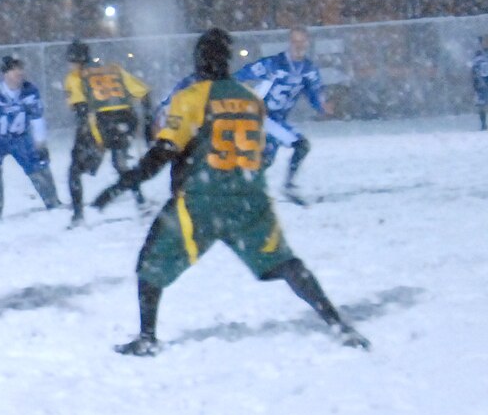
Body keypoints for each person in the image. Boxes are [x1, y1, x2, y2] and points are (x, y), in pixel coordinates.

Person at [95, 28, 367, 355]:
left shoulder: (192, 97)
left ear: (199, 61)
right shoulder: (250, 99)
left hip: (202, 200)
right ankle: (337, 323)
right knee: (285, 263)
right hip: (250, 199)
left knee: (150, 264)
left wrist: (120, 185)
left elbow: (163, 153)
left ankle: (147, 338)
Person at [63, 38, 154, 226]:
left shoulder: (75, 77)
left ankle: (78, 216)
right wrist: (146, 122)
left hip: (102, 122)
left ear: (74, 61)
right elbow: (144, 92)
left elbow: (81, 108)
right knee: (121, 164)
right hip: (126, 120)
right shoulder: (114, 69)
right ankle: (141, 202)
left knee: (74, 170)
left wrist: (85, 140)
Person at [234, 26, 327, 204]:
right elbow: (241, 75)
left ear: (308, 43)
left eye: (302, 41)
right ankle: (287, 186)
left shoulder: (309, 70)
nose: (298, 45)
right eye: (295, 41)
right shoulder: (273, 64)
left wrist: (322, 106)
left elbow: (314, 94)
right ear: (289, 43)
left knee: (265, 159)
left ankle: (240, 190)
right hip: (263, 116)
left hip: (278, 120)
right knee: (301, 144)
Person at [0, 55, 61, 218]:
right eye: (15, 72)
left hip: (20, 137)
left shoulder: (30, 91)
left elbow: (37, 118)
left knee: (38, 165)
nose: (19, 75)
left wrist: (40, 143)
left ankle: (52, 201)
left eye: (21, 71)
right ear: (5, 74)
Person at [472, 34, 488, 131]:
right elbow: (474, 70)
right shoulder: (478, 56)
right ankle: (483, 124)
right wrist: (476, 82)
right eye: (484, 41)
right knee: (482, 104)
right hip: (481, 84)